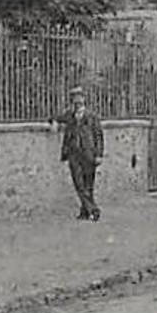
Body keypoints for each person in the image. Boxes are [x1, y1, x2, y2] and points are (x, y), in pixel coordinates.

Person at [53, 85, 105, 220]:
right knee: (79, 184)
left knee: (89, 185)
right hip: (73, 154)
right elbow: (55, 117)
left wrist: (99, 154)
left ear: (84, 99)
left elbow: (99, 136)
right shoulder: (69, 116)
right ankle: (93, 209)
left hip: (89, 154)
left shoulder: (92, 117)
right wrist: (53, 122)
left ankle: (85, 212)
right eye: (74, 99)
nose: (77, 102)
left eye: (79, 98)